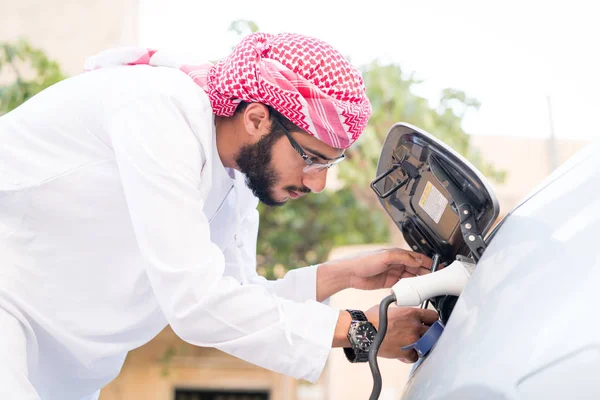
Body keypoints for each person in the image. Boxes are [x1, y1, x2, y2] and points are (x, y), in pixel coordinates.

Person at [0, 32, 438, 399]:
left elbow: (236, 297)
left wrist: (340, 276)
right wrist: (361, 331)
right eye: (311, 158)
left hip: (63, 366)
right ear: (256, 118)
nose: (316, 183)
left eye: (327, 166)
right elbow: (197, 304)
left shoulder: (236, 180)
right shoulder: (159, 111)